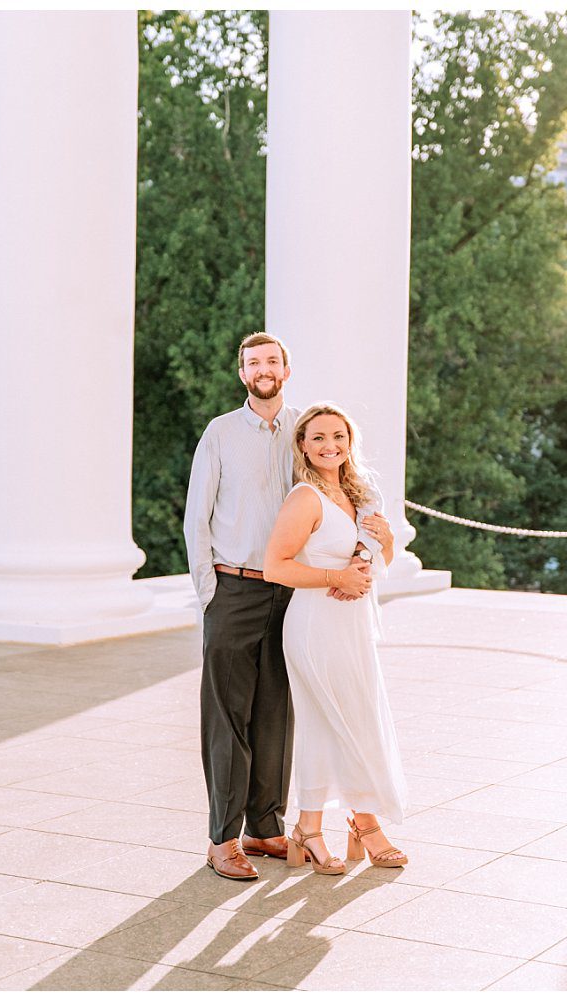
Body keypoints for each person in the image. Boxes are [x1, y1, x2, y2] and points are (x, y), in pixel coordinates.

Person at [183, 333, 391, 880]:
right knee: (228, 715)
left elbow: (355, 493)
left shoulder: (308, 428)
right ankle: (223, 839)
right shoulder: (221, 433)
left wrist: (363, 558)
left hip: (294, 593)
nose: (263, 369)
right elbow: (195, 516)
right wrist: (210, 591)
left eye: (272, 361)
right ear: (242, 373)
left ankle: (266, 828)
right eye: (253, 363)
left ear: (287, 369)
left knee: (277, 713)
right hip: (235, 586)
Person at [263, 402, 411, 873]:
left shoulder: (357, 494)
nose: (331, 445)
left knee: (349, 720)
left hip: (353, 625)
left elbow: (373, 562)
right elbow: (275, 567)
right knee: (337, 720)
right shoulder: (304, 498)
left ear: (350, 443)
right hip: (314, 625)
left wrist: (385, 541)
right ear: (303, 446)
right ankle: (365, 825)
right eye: (319, 437)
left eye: (339, 437)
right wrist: (335, 578)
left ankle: (309, 828)